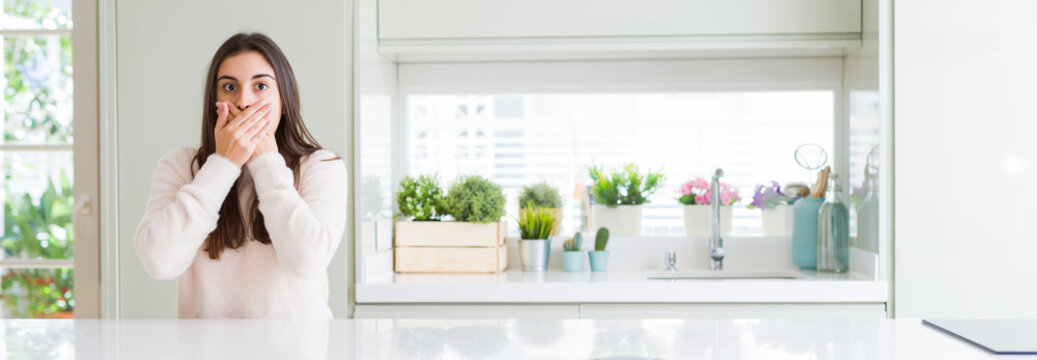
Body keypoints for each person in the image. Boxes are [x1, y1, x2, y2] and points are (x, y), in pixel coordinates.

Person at [134, 33, 346, 319]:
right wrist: (223, 163)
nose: (244, 101)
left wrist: (267, 162)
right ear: (214, 100)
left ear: (284, 99)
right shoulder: (180, 165)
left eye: (260, 86)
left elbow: (308, 261)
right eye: (230, 87)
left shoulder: (321, 166)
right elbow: (159, 262)